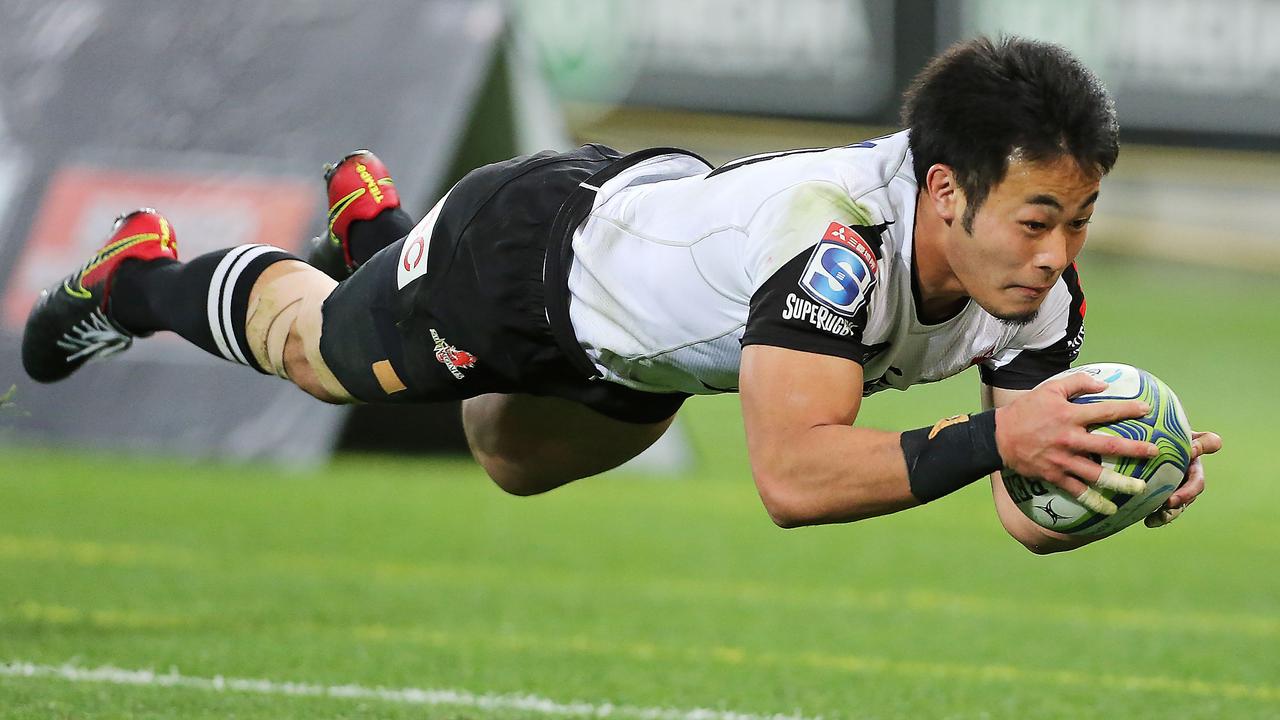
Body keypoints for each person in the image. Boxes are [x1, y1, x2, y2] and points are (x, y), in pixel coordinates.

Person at [23, 36, 1220, 553]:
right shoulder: (834, 246)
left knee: (507, 453)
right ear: (947, 193)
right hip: (530, 257)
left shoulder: (1036, 293)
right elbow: (794, 481)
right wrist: (1002, 429)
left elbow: (1012, 503)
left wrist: (1108, 474)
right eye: (1036, 219)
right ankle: (138, 276)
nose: (1058, 255)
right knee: (315, 354)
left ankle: (383, 239)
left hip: (643, 348)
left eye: (1079, 221)